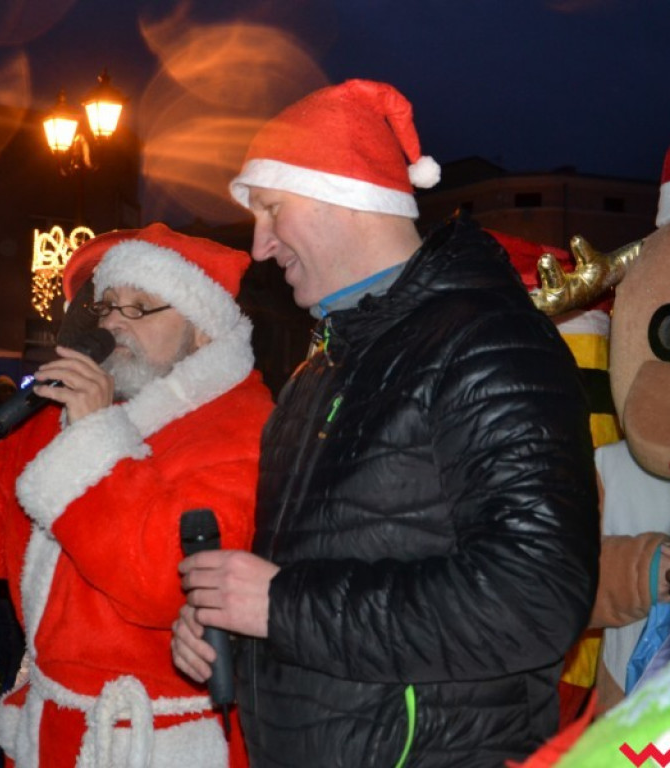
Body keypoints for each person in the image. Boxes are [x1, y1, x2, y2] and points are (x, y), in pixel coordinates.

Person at [172, 79, 600, 766]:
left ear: (344, 195)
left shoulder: (484, 342)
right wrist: (229, 623)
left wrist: (279, 606)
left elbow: (535, 599)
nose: (259, 246)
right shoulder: (317, 375)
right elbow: (319, 582)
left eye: (272, 210)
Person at [0, 223, 274, 767]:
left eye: (138, 308)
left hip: (156, 741)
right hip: (49, 731)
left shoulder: (241, 427)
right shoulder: (66, 418)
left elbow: (163, 583)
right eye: (107, 306)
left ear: (201, 329)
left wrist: (94, 439)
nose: (111, 324)